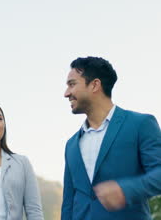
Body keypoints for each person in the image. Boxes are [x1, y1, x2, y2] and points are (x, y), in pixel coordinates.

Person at [62, 56, 161, 219]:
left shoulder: (141, 124)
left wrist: (126, 189)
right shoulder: (71, 145)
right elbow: (69, 203)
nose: (66, 93)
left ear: (94, 85)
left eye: (72, 84)